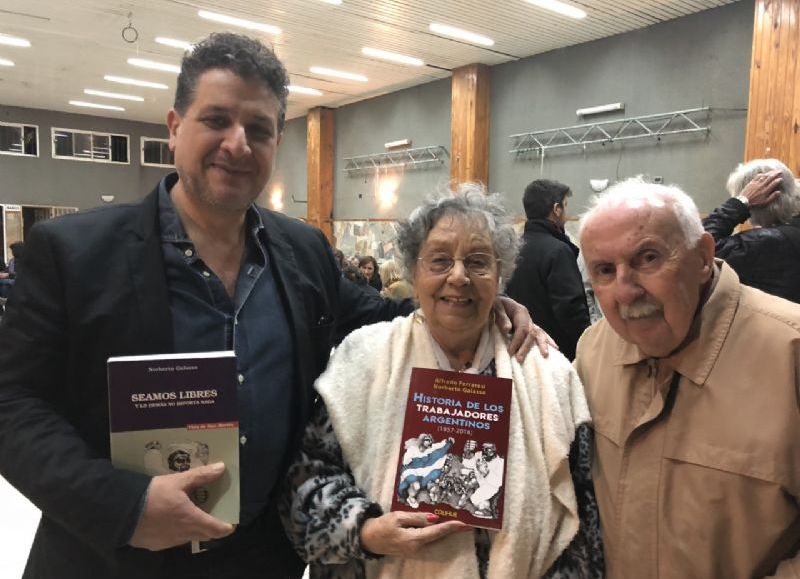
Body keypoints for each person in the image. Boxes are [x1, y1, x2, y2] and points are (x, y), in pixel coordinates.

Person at [0, 33, 545, 579]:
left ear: (276, 141)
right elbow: (13, 405)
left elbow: (392, 319)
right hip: (114, 560)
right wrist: (125, 506)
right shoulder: (75, 253)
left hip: (261, 559)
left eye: (258, 129)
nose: (237, 144)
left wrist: (487, 302)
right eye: (216, 120)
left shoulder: (302, 252)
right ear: (173, 127)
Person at [282, 184, 604, 579]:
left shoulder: (547, 372)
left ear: (500, 274)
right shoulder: (362, 359)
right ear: (413, 273)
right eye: (439, 261)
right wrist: (364, 530)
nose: (458, 276)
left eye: (478, 262)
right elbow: (305, 481)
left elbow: (583, 524)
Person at [575, 177, 800, 579]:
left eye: (647, 258)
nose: (625, 291)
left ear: (701, 257)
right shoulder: (593, 351)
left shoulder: (790, 354)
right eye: (605, 270)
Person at [506, 179, 590, 360]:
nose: (566, 214)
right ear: (556, 209)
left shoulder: (513, 249)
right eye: (565, 207)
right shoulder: (558, 251)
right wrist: (589, 347)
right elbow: (571, 309)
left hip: (519, 346)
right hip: (554, 352)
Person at [703, 158, 800, 303]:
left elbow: (700, 247)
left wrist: (740, 202)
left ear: (755, 201)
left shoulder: (767, 242)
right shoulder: (791, 232)